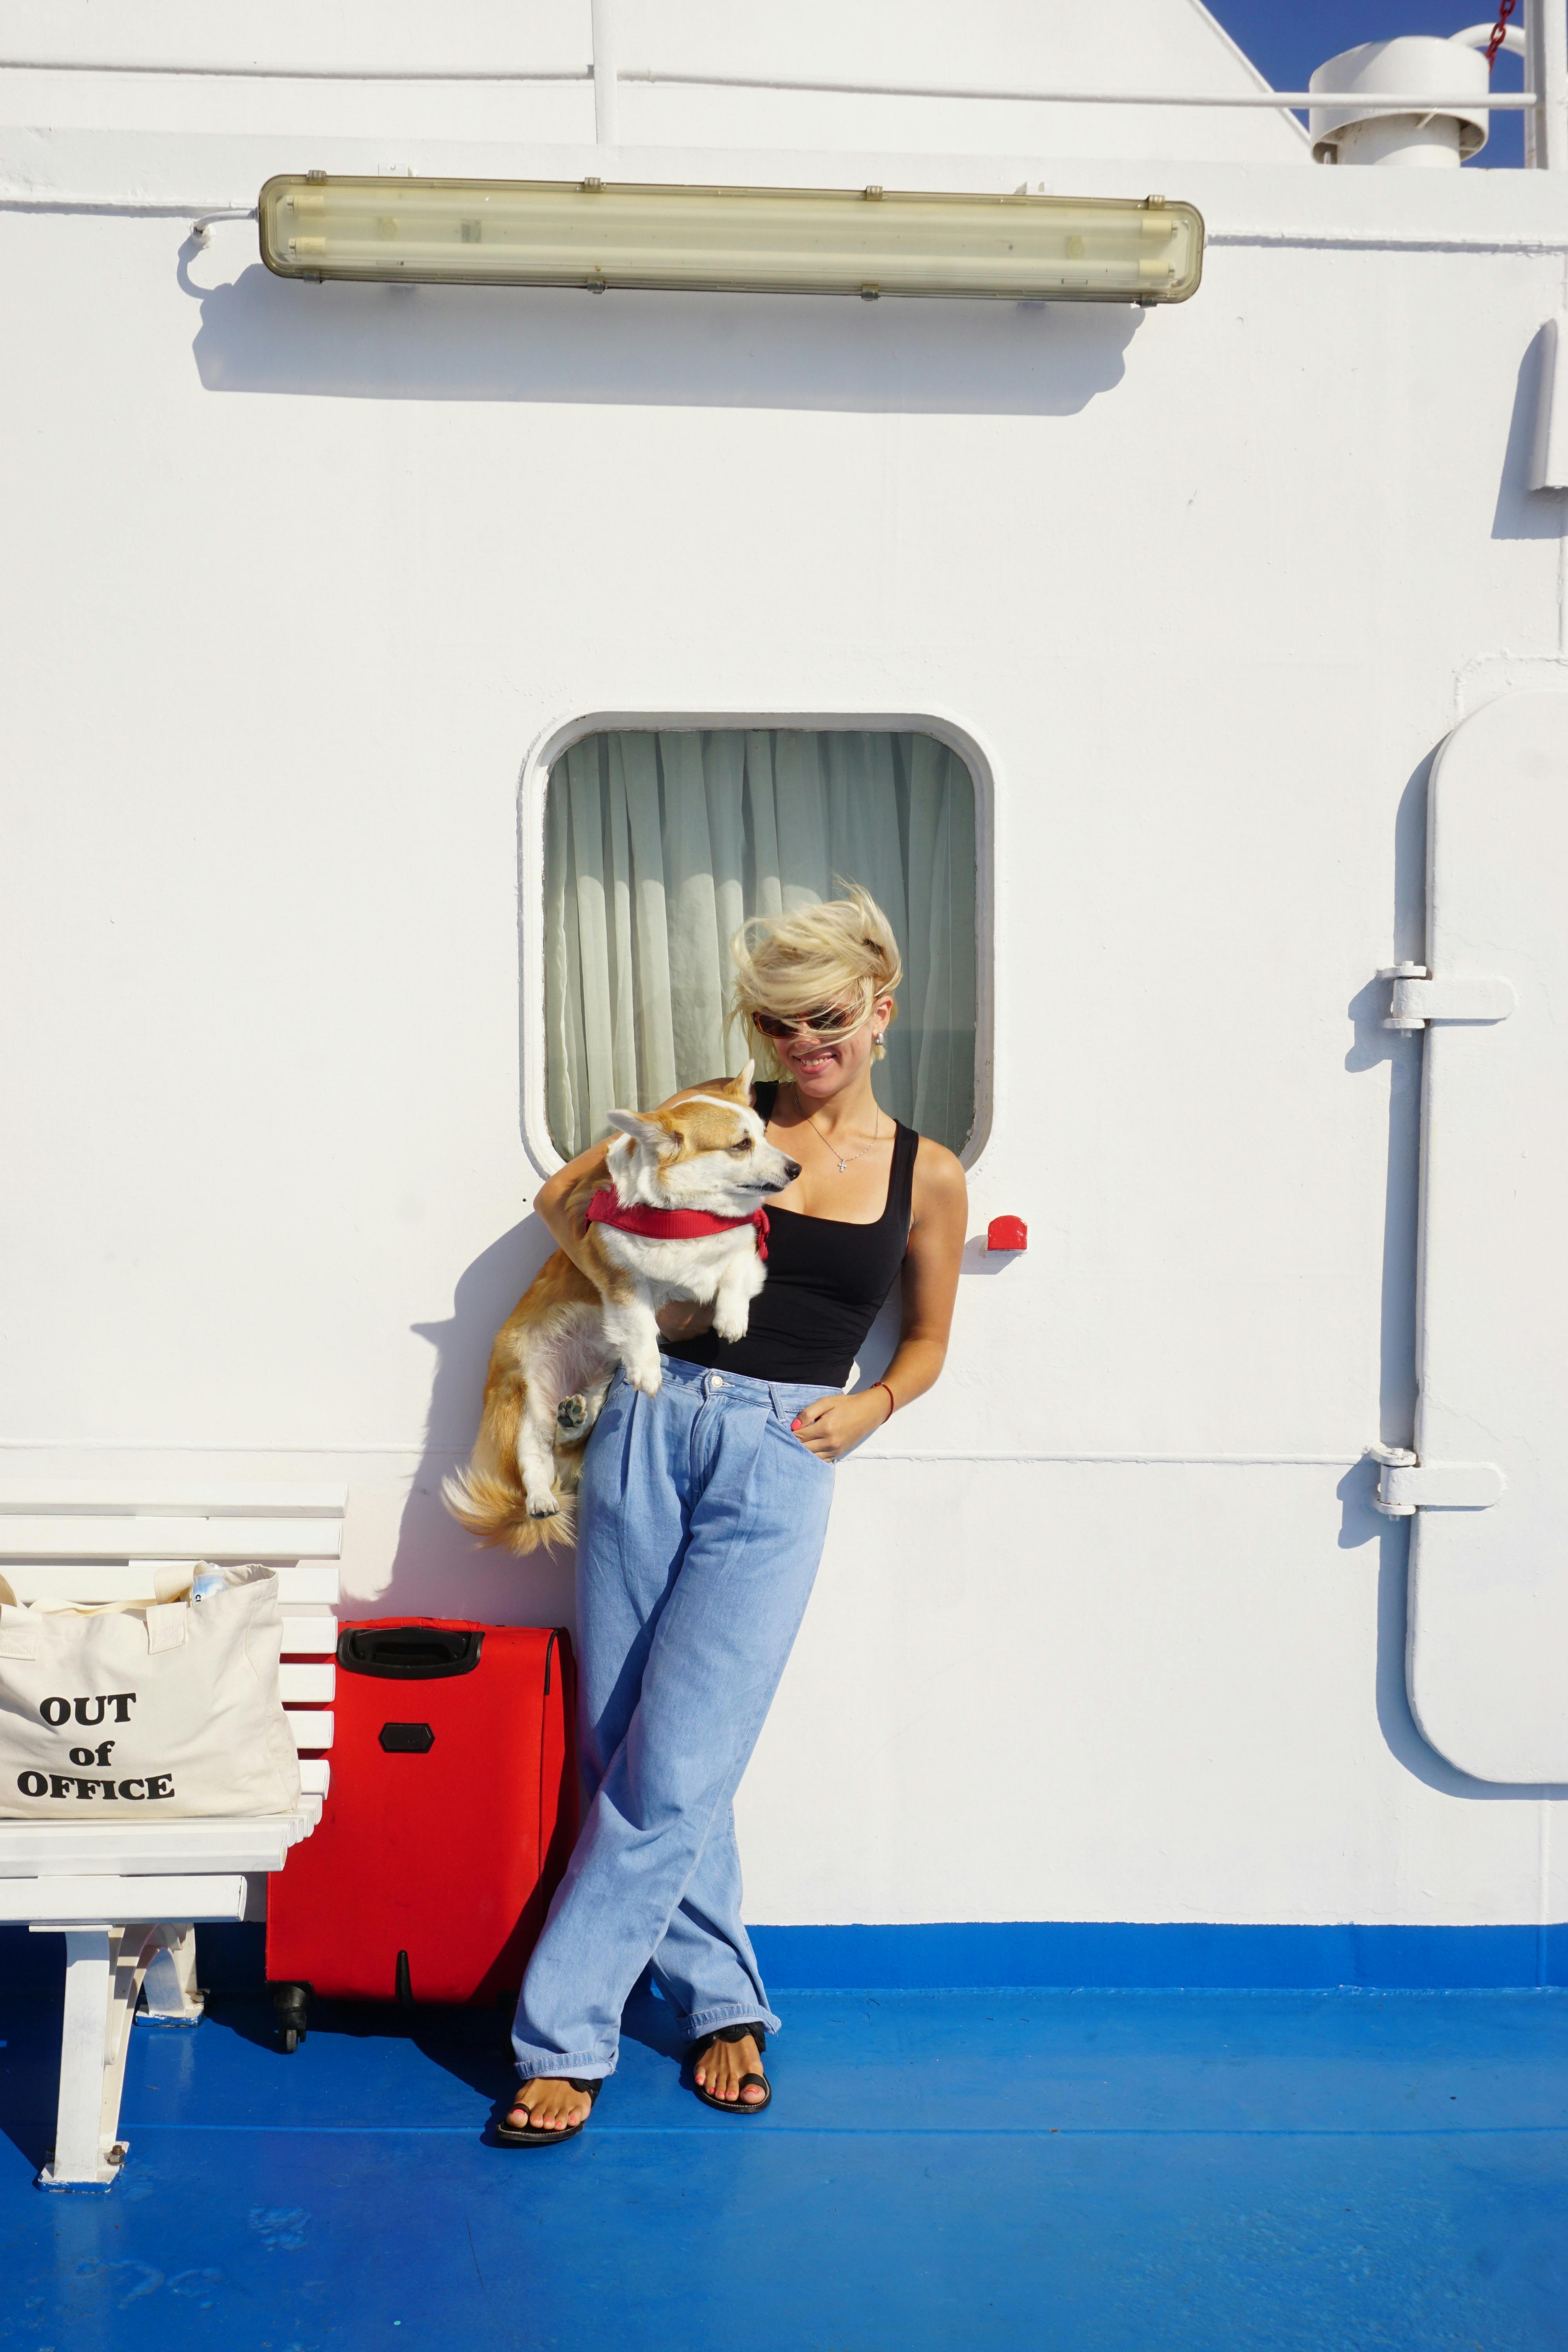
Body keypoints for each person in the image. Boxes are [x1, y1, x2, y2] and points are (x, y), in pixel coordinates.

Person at [502, 885, 967, 2141]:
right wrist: (640, 1290)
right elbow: (568, 1197)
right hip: (657, 1418)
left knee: (685, 1754)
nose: (802, 1051)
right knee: (623, 1740)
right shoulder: (723, 1114)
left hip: (783, 1453)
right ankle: (723, 2006)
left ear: (882, 1006)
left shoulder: (926, 1174)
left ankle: (564, 2040)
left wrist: (872, 1410)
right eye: (777, 1030)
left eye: (824, 1022)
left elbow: (924, 1344)